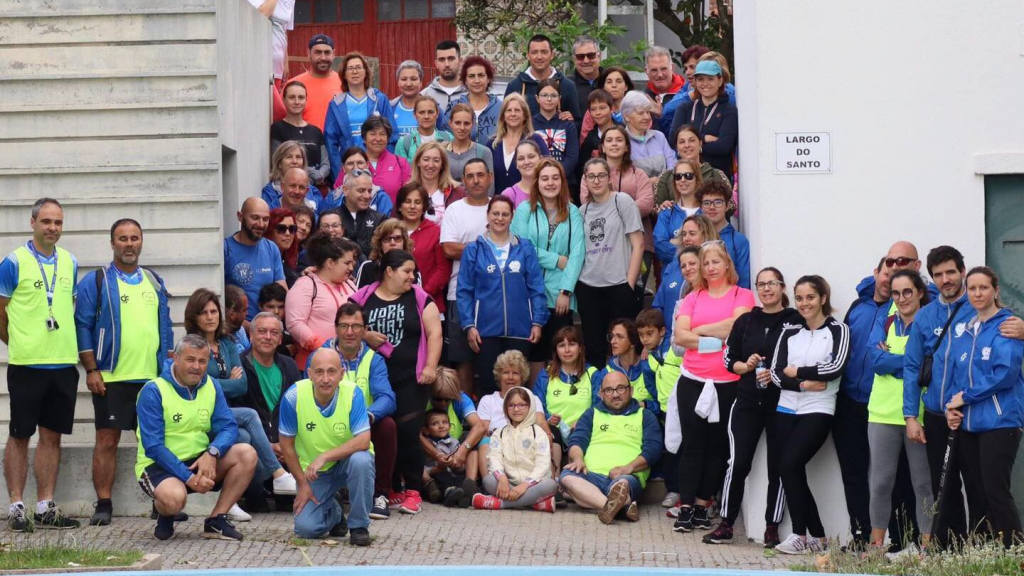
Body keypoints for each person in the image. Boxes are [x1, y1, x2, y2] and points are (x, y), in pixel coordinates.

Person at [901, 246, 1022, 545]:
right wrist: (910, 415)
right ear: (931, 278)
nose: (946, 279)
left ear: (962, 272)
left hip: (971, 413)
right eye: (938, 275)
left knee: (981, 486)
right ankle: (949, 548)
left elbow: (994, 363)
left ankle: (982, 545)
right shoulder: (926, 315)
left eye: (951, 272)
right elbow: (912, 365)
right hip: (936, 413)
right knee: (944, 487)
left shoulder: (980, 311)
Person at [75, 219, 174, 526]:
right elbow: (83, 326)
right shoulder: (97, 281)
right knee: (106, 440)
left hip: (151, 380)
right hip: (112, 378)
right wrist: (91, 369)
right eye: (122, 239)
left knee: (157, 442)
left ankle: (163, 501)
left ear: (141, 242)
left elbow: (166, 329)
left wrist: (167, 371)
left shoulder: (154, 281)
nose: (129, 244)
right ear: (112, 243)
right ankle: (104, 503)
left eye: (134, 238)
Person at [703, 268, 802, 547]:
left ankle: (772, 526)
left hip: (782, 404)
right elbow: (728, 359)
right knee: (738, 463)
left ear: (783, 287)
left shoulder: (795, 321)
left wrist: (777, 372)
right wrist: (745, 366)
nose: (767, 289)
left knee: (779, 468)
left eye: (772, 283)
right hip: (747, 401)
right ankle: (726, 524)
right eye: (761, 284)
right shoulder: (747, 320)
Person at [1, 198, 80, 532]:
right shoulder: (13, 262)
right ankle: (17, 506)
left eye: (58, 222)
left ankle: (46, 505)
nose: (52, 228)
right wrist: (18, 342)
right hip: (27, 364)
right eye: (46, 221)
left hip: (62, 364)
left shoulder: (71, 262)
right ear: (32, 222)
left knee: (53, 437)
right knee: (20, 434)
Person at [186, 290, 297, 519]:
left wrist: (214, 382)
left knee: (245, 438)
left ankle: (230, 500)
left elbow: (242, 386)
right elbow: (194, 382)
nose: (210, 317)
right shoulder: (190, 345)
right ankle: (278, 475)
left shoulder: (227, 343)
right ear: (194, 316)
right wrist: (223, 383)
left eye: (214, 311)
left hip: (223, 413)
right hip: (199, 412)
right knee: (248, 415)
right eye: (204, 312)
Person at [135, 335, 257, 541]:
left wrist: (213, 451)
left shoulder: (211, 385)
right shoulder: (153, 391)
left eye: (202, 361)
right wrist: (189, 478)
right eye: (190, 359)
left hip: (200, 460)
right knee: (174, 500)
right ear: (175, 358)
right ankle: (165, 513)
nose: (197, 367)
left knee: (246, 453)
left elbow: (229, 426)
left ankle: (216, 520)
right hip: (159, 465)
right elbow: (153, 447)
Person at [350, 250, 443, 515]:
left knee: (408, 434)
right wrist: (365, 335)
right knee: (383, 434)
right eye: (407, 271)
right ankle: (390, 488)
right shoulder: (363, 296)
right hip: (373, 380)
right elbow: (345, 325)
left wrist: (430, 366)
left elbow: (435, 333)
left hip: (411, 377)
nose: (412, 277)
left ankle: (413, 490)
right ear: (389, 271)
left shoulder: (420, 297)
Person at [671, 241, 754, 532]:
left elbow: (738, 326)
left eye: (715, 262)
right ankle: (685, 507)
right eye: (706, 263)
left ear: (727, 264)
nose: (710, 267)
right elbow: (680, 337)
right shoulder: (693, 297)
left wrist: (700, 330)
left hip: (728, 382)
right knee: (692, 444)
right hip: (693, 380)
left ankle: (704, 505)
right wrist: (716, 342)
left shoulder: (742, 294)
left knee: (717, 447)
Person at [769, 275, 850, 555]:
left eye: (810, 297)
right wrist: (803, 382)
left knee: (790, 465)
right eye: (800, 298)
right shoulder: (789, 332)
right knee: (791, 470)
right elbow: (777, 375)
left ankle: (799, 534)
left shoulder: (838, 330)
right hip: (786, 407)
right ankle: (816, 537)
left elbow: (835, 369)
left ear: (823, 298)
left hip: (819, 408)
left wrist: (798, 371)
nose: (804, 303)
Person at [945, 266, 1024, 549]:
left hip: (1000, 422)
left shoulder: (1008, 325)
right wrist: (951, 407)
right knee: (976, 493)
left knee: (996, 491)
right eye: (973, 288)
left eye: (984, 288)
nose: (978, 293)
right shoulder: (966, 330)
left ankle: (1015, 553)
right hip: (969, 424)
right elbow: (956, 377)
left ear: (996, 291)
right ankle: (981, 553)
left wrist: (965, 397)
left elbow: (1005, 373)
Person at [866, 270, 934, 553]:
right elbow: (874, 359)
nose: (902, 298)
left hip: (919, 415)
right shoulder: (886, 321)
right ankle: (876, 549)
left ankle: (927, 551)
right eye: (896, 293)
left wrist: (894, 359)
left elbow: (932, 365)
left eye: (908, 292)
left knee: (923, 485)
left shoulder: (931, 323)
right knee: (880, 484)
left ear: (920, 292)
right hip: (881, 413)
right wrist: (911, 363)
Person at [278, 349, 374, 546]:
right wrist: (302, 485)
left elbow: (363, 440)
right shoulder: (293, 396)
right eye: (319, 372)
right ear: (309, 373)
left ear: (342, 373)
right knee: (306, 529)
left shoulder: (353, 392)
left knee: (362, 460)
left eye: (331, 372)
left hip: (346, 462)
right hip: (315, 472)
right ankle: (336, 512)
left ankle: (359, 526)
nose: (325, 379)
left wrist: (325, 456)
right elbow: (286, 446)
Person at [457, 195, 549, 395]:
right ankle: (490, 426)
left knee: (517, 386)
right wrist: (469, 325)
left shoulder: (524, 247)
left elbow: (536, 287)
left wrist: (537, 322)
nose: (500, 218)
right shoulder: (474, 249)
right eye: (495, 213)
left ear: (512, 216)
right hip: (485, 330)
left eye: (505, 214)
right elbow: (464, 290)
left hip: (520, 329)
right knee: (489, 385)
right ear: (488, 216)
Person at [316, 302, 398, 520]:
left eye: (355, 326)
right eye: (344, 326)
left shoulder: (373, 359)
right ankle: (323, 487)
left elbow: (387, 397)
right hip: (326, 421)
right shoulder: (321, 355)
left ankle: (380, 494)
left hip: (363, 425)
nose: (350, 332)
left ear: (365, 330)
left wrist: (367, 415)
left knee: (387, 425)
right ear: (335, 328)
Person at [511, 159, 585, 378]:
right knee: (535, 352)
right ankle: (536, 401)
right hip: (530, 293)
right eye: (544, 178)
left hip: (560, 294)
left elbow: (577, 253)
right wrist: (555, 260)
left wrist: (566, 291)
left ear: (562, 181)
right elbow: (521, 247)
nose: (550, 183)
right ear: (537, 182)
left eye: (555, 178)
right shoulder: (525, 210)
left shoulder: (573, 212)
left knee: (559, 350)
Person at [835, 257, 891, 546]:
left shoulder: (904, 311)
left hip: (884, 406)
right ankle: (860, 533)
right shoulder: (858, 307)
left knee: (889, 475)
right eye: (886, 272)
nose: (889, 279)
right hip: (849, 403)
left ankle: (896, 537)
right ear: (876, 273)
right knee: (853, 472)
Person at [560, 371, 662, 524]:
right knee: (567, 476)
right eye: (609, 390)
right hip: (590, 475)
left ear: (631, 390)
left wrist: (629, 468)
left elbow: (653, 450)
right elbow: (577, 440)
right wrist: (578, 460)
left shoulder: (645, 415)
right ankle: (619, 508)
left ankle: (606, 503)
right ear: (601, 394)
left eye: (620, 388)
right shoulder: (591, 414)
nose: (615, 394)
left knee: (622, 485)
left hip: (625, 477)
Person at [576, 158, 644, 369]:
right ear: (585, 180)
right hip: (589, 286)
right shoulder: (582, 211)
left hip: (619, 285)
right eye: (591, 176)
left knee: (625, 345)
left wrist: (628, 285)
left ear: (609, 177)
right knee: (595, 347)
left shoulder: (621, 201)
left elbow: (638, 244)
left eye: (601, 175)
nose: (596, 181)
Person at [440, 159, 492, 393]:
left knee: (493, 355)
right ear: (463, 181)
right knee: (463, 358)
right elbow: (449, 249)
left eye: (480, 175)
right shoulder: (455, 209)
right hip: (459, 292)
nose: (476, 180)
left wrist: (468, 248)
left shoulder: (498, 207)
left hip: (494, 293)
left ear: (489, 177)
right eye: (470, 176)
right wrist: (484, 246)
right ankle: (466, 414)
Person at [238, 313, 303, 485]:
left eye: (274, 333)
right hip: (254, 448)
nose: (268, 337)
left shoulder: (289, 365)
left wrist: (286, 445)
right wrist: (267, 446)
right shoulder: (239, 365)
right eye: (262, 331)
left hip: (287, 447)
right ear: (251, 336)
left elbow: (300, 409)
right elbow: (237, 414)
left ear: (280, 339)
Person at [580, 126, 655, 270]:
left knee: (634, 290)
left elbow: (646, 204)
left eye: (619, 140)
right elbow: (587, 201)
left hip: (638, 243)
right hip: (602, 245)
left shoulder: (639, 174)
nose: (614, 143)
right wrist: (624, 211)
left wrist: (610, 212)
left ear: (626, 147)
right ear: (602, 147)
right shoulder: (589, 175)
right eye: (609, 140)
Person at [472, 387, 558, 512]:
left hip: (533, 485)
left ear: (530, 406)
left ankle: (498, 503)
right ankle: (534, 503)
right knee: (488, 480)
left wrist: (525, 485)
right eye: (511, 405)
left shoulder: (538, 433)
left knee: (551, 485)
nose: (516, 409)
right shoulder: (500, 433)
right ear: (505, 408)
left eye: (522, 405)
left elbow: (543, 465)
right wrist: (502, 479)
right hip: (508, 484)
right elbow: (494, 458)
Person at [286, 233, 359, 368]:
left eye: (352, 262)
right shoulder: (306, 285)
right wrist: (321, 346)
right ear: (330, 263)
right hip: (313, 364)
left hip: (348, 363)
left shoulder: (350, 285)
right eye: (347, 263)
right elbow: (294, 323)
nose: (351, 268)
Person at [475, 350, 552, 475]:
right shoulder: (487, 400)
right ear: (499, 376)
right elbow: (483, 430)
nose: (510, 377)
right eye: (506, 372)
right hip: (497, 444)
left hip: (525, 443)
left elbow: (542, 424)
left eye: (515, 373)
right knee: (485, 441)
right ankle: (489, 483)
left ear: (522, 377)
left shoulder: (532, 398)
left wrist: (548, 436)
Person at [534, 326, 597, 475]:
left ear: (580, 348)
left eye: (572, 344)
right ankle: (554, 482)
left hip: (582, 429)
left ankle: (576, 478)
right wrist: (548, 419)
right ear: (556, 350)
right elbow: (537, 405)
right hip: (554, 429)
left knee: (581, 433)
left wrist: (584, 421)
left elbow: (599, 405)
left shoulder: (593, 373)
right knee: (550, 432)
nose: (567, 350)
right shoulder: (546, 374)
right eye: (562, 345)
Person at [324, 52, 395, 178]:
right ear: (344, 74)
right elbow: (331, 142)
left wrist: (387, 165)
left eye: (358, 67)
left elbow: (391, 135)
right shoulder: (336, 104)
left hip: (376, 164)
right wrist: (338, 172)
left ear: (366, 72)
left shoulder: (379, 100)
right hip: (350, 166)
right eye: (350, 68)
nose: (354, 71)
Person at [668, 61, 737, 179]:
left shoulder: (729, 110)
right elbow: (673, 138)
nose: (705, 83)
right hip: (686, 176)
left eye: (710, 79)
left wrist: (689, 146)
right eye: (700, 79)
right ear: (695, 82)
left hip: (716, 177)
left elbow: (724, 146)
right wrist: (704, 138)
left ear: (720, 81)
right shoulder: (685, 108)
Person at [224, 197, 287, 320]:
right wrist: (247, 327)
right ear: (240, 216)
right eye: (255, 218)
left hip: (267, 330)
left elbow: (282, 290)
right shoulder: (226, 249)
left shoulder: (271, 248)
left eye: (265, 219)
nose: (261, 224)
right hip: (237, 330)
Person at [425, 368, 487, 492]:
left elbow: (480, 426)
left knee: (474, 437)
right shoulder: (423, 399)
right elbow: (416, 434)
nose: (443, 403)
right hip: (430, 452)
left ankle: (471, 483)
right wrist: (437, 455)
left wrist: (463, 450)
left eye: (448, 399)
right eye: (438, 398)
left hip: (454, 448)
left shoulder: (461, 399)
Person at [395, 183, 451, 311]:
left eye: (418, 202)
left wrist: (422, 294)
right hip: (394, 305)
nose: (412, 207)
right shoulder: (390, 232)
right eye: (407, 201)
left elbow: (443, 271)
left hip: (428, 304)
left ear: (424, 207)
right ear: (399, 206)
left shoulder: (436, 232)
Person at [504, 34, 581, 122]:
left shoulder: (567, 86)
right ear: (528, 56)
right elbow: (504, 121)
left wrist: (571, 120)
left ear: (552, 55)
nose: (539, 57)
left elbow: (577, 124)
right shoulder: (515, 86)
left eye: (544, 52)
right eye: (534, 52)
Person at [593, 318, 660, 413]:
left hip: (645, 424)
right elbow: (598, 407)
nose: (612, 341)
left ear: (633, 342)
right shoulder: (606, 372)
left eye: (619, 337)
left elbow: (663, 405)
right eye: (612, 337)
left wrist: (645, 405)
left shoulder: (650, 366)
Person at [654, 124, 730, 207]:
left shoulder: (716, 175)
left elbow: (731, 206)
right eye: (682, 142)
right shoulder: (665, 177)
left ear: (700, 143)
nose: (687, 145)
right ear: (677, 147)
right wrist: (665, 207)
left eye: (692, 140)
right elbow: (656, 209)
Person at [272, 82, 331, 187]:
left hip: (314, 188)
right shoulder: (277, 129)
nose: (297, 101)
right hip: (289, 188)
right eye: (292, 97)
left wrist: (319, 175)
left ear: (306, 100)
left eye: (301, 97)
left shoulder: (316, 131)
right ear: (284, 100)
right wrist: (310, 172)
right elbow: (277, 160)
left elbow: (326, 164)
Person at [491, 93, 550, 194]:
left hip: (530, 201)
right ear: (503, 116)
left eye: (517, 110)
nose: (513, 114)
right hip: (499, 204)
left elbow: (548, 170)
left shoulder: (536, 140)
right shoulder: (493, 144)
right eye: (509, 110)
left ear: (525, 116)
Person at [696, 179, 750, 289]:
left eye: (718, 202)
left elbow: (744, 282)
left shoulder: (738, 241)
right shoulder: (694, 238)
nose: (712, 207)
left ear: (728, 205)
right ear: (700, 206)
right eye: (706, 203)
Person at [653, 242, 706, 348]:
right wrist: (714, 344)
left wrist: (691, 338)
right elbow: (677, 345)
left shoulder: (717, 295)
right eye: (683, 266)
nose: (687, 268)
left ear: (703, 264)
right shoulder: (682, 303)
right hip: (688, 362)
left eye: (692, 263)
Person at [653, 159, 703, 267]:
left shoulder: (706, 212)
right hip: (672, 277)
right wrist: (693, 253)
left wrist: (675, 242)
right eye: (678, 176)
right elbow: (659, 246)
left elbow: (712, 244)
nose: (683, 180)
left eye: (688, 175)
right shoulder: (667, 212)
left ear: (697, 179)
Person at [621, 90, 676, 185]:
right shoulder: (622, 140)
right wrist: (647, 182)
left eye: (648, 112)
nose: (647, 117)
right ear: (626, 116)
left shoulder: (659, 136)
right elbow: (623, 176)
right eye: (641, 113)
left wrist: (663, 180)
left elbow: (672, 162)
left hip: (666, 188)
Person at [421, 409, 472, 507]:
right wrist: (436, 469)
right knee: (442, 477)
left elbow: (461, 467)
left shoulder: (454, 443)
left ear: (450, 426)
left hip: (453, 475)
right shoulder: (427, 446)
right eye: (435, 423)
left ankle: (463, 497)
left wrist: (456, 464)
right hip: (436, 477)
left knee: (462, 479)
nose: (441, 426)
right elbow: (423, 469)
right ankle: (449, 494)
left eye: (444, 422)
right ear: (426, 430)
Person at [290, 34, 341, 132]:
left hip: (336, 145)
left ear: (334, 54)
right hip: (303, 144)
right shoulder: (293, 85)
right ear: (308, 53)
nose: (323, 58)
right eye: (318, 52)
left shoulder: (345, 83)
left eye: (327, 52)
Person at [532, 78, 580, 180]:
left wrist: (557, 175)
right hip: (538, 179)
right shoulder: (530, 124)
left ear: (559, 99)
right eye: (544, 95)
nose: (549, 99)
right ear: (537, 98)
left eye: (553, 95)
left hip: (565, 180)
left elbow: (572, 157)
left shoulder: (568, 125)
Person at [447, 56, 500, 145]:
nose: (477, 80)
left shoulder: (500, 108)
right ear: (465, 81)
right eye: (471, 76)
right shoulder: (453, 106)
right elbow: (446, 137)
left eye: (481, 75)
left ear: (488, 79)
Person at [444, 103, 495, 194]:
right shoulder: (442, 152)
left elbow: (489, 188)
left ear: (473, 125)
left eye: (466, 123)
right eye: (457, 123)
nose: (462, 128)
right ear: (450, 123)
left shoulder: (483, 152)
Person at [357, 117, 410, 204]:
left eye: (382, 134)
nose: (378, 139)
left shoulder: (400, 163)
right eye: (373, 134)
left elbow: (410, 194)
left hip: (392, 217)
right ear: (364, 138)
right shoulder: (353, 162)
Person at [410, 140, 465, 224]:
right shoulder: (407, 191)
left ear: (442, 164)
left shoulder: (457, 192)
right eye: (426, 159)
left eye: (436, 160)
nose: (431, 165)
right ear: (418, 162)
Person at [329, 147, 395, 215]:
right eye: (350, 164)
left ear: (367, 165)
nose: (355, 167)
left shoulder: (381, 197)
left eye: (360, 163)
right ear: (343, 168)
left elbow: (384, 224)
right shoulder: (333, 197)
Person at [337, 169, 387, 258]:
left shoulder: (380, 220)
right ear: (345, 190)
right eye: (361, 190)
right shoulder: (331, 218)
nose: (367, 196)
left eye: (369, 191)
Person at [353, 218, 415, 288]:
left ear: (404, 242)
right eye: (387, 239)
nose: (392, 243)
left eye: (397, 238)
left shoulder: (412, 270)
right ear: (380, 244)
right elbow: (358, 298)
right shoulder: (367, 268)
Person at [262, 144, 322, 213]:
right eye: (289, 157)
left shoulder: (314, 191)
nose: (294, 161)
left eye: (298, 157)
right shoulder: (269, 193)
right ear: (279, 163)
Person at [579, 67, 634, 141]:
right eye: (609, 82)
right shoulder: (592, 111)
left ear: (626, 86)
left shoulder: (636, 109)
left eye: (619, 81)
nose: (614, 85)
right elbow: (585, 139)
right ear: (603, 87)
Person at [395, 96, 453, 163]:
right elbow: (401, 171)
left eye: (430, 112)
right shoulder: (404, 143)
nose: (426, 116)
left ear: (437, 113)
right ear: (415, 115)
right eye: (421, 112)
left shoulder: (448, 138)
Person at [421, 40, 468, 118]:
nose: (447, 64)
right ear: (436, 64)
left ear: (460, 61)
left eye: (451, 59)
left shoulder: (471, 94)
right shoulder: (425, 95)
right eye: (442, 60)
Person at [644, 46, 685, 123]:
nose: (659, 74)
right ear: (646, 71)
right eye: (654, 70)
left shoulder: (687, 94)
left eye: (663, 69)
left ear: (672, 68)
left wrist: (661, 116)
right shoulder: (642, 99)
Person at [500, 139, 543, 208]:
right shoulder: (509, 195)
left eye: (531, 157)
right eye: (521, 158)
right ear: (516, 164)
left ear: (540, 159)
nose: (526, 162)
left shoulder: (549, 189)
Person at [390, 60, 426, 139]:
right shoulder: (390, 108)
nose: (408, 84)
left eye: (413, 79)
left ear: (421, 82)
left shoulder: (432, 108)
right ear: (398, 82)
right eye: (403, 79)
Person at [257, 283, 295, 357]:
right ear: (260, 306)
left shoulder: (291, 330)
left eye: (281, 307)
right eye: (271, 307)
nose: (276, 311)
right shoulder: (254, 331)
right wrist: (285, 351)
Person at [267, 208, 300, 287]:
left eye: (292, 229)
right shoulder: (264, 261)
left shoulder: (291, 259)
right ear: (270, 231)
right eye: (281, 228)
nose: (288, 233)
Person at [570, 36, 604, 112]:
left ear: (599, 56)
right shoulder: (566, 85)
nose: (586, 61)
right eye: (580, 57)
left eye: (591, 55)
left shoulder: (610, 81)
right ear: (574, 59)